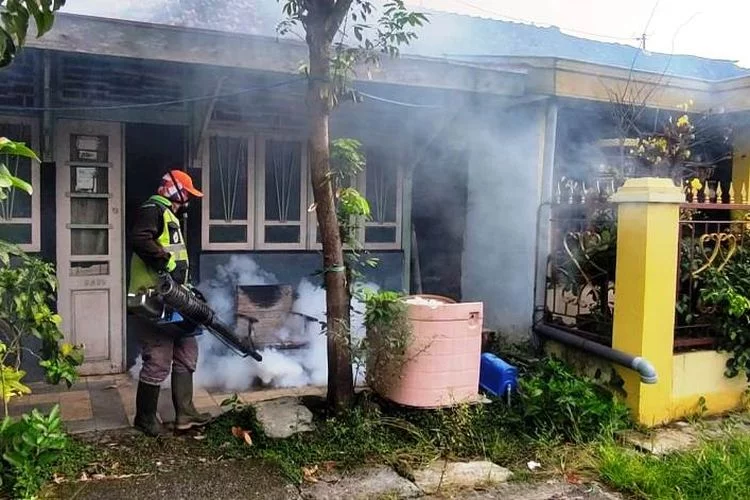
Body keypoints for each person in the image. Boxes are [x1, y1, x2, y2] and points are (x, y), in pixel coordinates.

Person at [128, 169, 209, 436]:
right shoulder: (153, 209)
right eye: (186, 194)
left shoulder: (169, 215)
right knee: (159, 359)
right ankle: (145, 419)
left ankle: (185, 413)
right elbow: (140, 239)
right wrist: (166, 262)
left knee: (187, 352)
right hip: (153, 298)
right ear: (175, 191)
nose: (187, 201)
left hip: (174, 298)